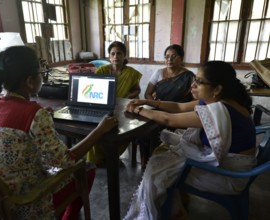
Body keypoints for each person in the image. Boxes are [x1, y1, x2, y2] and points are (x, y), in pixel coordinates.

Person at [0, 46, 118, 220]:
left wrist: (41, 116)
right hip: (26, 203)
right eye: (41, 71)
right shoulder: (34, 113)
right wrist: (100, 130)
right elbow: (66, 160)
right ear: (29, 81)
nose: (42, 76)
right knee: (86, 169)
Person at [124, 61, 257, 219]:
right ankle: (176, 206)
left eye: (199, 82)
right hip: (230, 165)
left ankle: (168, 211)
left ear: (217, 89)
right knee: (165, 156)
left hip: (229, 175)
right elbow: (179, 107)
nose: (193, 85)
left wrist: (138, 110)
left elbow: (168, 120)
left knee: (159, 172)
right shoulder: (219, 100)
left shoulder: (220, 111)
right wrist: (147, 102)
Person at [86, 41, 142, 165]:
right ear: (109, 56)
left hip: (122, 108)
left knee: (124, 132)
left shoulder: (131, 73)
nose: (116, 56)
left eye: (119, 53)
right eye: (113, 54)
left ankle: (110, 156)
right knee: (97, 129)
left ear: (124, 56)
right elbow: (93, 88)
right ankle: (96, 159)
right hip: (103, 107)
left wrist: (127, 96)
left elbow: (137, 89)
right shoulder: (102, 70)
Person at [139, 44, 195, 169]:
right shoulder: (159, 73)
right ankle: (145, 160)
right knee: (143, 130)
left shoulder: (189, 76)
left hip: (178, 113)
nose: (169, 60)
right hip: (158, 109)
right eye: (167, 57)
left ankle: (162, 163)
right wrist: (153, 101)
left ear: (181, 59)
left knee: (161, 132)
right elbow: (147, 93)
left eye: (173, 57)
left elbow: (193, 100)